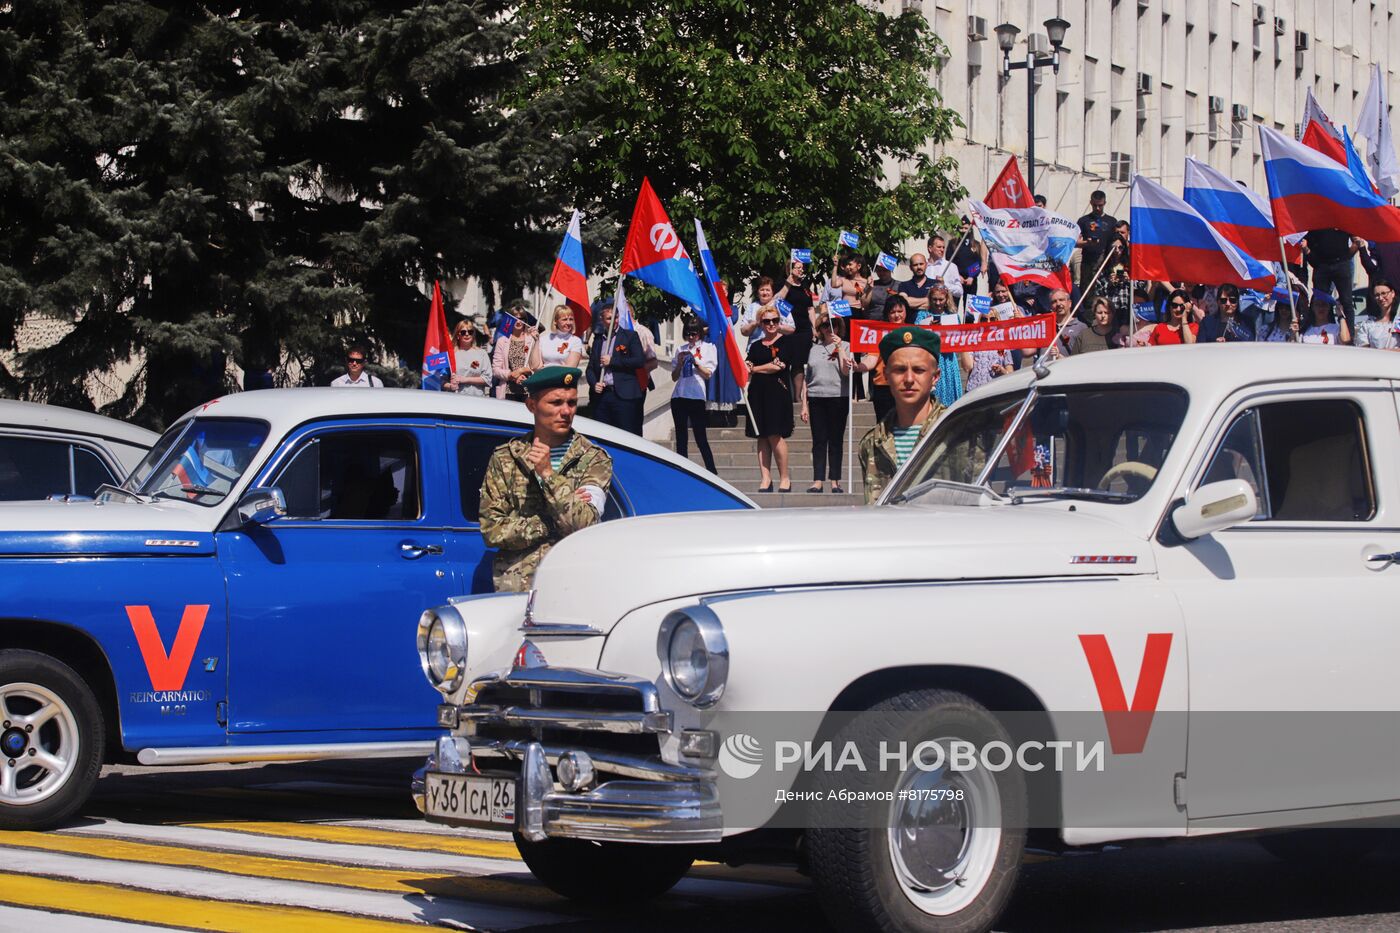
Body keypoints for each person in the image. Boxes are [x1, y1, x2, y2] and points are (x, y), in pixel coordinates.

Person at [478, 366, 612, 592]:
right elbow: (492, 530)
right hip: (517, 588)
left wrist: (548, 475)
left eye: (571, 403)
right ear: (532, 405)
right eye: (556, 403)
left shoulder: (593, 459)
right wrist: (549, 523)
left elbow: (585, 525)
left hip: (572, 588)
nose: (566, 411)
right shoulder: (506, 458)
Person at [858, 327, 946, 505]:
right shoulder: (872, 443)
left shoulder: (953, 430)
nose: (908, 379)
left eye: (919, 370)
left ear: (935, 377)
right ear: (886, 376)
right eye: (899, 370)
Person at [801, 311, 852, 494]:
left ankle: (835, 481)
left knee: (836, 440)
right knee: (819, 441)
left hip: (838, 397)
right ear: (820, 329)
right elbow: (807, 378)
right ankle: (817, 480)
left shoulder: (846, 345)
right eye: (825, 326)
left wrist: (840, 350)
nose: (829, 329)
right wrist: (804, 404)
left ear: (839, 327)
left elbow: (846, 371)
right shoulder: (814, 349)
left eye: (833, 325)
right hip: (816, 397)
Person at [744, 308, 794, 492]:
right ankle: (765, 478)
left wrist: (755, 369)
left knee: (775, 434)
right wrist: (749, 364)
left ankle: (784, 477)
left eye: (774, 320)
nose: (771, 324)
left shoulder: (787, 342)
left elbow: (778, 366)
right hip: (757, 393)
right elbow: (748, 362)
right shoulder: (756, 345)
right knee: (761, 435)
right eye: (767, 321)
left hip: (777, 393)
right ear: (761, 324)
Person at [586, 304, 648, 434]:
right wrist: (594, 384)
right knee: (603, 435)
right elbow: (590, 368)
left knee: (626, 435)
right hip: (603, 396)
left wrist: (613, 361)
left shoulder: (630, 336)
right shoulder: (598, 340)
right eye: (609, 318)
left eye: (616, 317)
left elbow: (639, 360)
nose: (614, 321)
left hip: (624, 396)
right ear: (602, 320)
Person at [670, 319, 718, 472]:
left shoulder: (708, 348)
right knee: (681, 436)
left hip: (696, 396)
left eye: (694, 334)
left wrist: (695, 362)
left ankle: (712, 470)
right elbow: (674, 377)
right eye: (688, 334)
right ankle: (682, 470)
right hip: (679, 395)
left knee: (700, 436)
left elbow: (708, 373)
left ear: (699, 334)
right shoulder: (680, 349)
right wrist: (679, 363)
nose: (691, 337)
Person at [857, 296, 910, 423]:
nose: (897, 315)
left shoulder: (913, 332)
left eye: (900, 311)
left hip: (907, 384)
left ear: (906, 312)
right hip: (883, 386)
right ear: (887, 314)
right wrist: (857, 367)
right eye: (892, 312)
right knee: (884, 426)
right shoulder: (879, 333)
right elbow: (871, 360)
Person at [1306, 228, 1362, 333]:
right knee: (1320, 300)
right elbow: (1307, 243)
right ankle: (1324, 330)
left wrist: (1346, 257)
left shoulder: (1341, 218)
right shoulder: (1317, 222)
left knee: (1346, 301)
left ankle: (1349, 335)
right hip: (1322, 265)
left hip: (1341, 264)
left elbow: (1357, 240)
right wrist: (1313, 259)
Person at [1076, 189, 1118, 291]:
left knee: (1106, 290)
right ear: (1091, 203)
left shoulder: (1112, 221)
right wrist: (1087, 243)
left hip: (1106, 263)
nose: (1098, 208)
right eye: (1095, 205)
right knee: (1087, 291)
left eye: (1100, 205)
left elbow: (1117, 241)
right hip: (1088, 262)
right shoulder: (1083, 221)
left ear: (1105, 203)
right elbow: (1075, 242)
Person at [966, 304, 1016, 390]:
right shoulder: (974, 341)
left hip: (994, 389)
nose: (988, 322)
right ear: (980, 321)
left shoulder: (1003, 345)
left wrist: (1002, 370)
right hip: (974, 388)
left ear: (997, 321)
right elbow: (968, 367)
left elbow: (1010, 372)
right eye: (984, 319)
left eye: (992, 319)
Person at [737, 276, 795, 347]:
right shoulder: (751, 307)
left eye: (768, 290)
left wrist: (778, 327)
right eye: (762, 290)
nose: (765, 293)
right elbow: (743, 332)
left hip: (777, 346)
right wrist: (754, 324)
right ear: (758, 292)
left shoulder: (782, 305)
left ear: (772, 292)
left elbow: (792, 328)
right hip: (755, 347)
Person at [492, 315, 537, 400]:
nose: (518, 321)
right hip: (507, 392)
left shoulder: (532, 340)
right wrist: (511, 375)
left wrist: (523, 371)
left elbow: (537, 366)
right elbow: (495, 369)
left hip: (528, 391)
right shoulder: (502, 341)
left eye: (521, 319)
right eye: (515, 319)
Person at [528, 305, 585, 371]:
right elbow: (535, 366)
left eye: (571, 319)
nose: (568, 322)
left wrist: (547, 369)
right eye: (564, 319)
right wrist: (536, 341)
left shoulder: (576, 341)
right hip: (544, 379)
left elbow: (570, 367)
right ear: (555, 321)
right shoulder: (543, 339)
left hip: (563, 379)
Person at [447, 323, 491, 395]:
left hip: (477, 399)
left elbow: (487, 379)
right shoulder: (450, 354)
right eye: (463, 332)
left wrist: (464, 380)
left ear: (473, 335)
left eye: (470, 332)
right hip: (456, 398)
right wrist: (450, 386)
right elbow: (442, 380)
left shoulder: (482, 353)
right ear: (458, 335)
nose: (467, 334)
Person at [1354, 279, 1399, 349]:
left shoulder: (1397, 322)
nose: (1380, 298)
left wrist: (1388, 352)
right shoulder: (1368, 325)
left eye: (1384, 293)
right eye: (1377, 295)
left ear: (1392, 293)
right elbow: (1363, 349)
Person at [950, 218, 985, 305]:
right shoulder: (953, 244)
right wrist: (957, 275)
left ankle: (968, 319)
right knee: (953, 306)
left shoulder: (976, 244)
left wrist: (971, 276)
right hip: (956, 280)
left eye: (966, 228)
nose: (963, 230)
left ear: (970, 229)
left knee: (970, 309)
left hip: (971, 281)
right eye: (961, 228)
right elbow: (949, 261)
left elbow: (978, 262)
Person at [1045, 289, 1085, 359]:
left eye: (1061, 300)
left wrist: (1060, 357)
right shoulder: (1044, 327)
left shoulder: (1081, 328)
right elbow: (1028, 352)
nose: (1058, 304)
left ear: (1069, 303)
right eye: (1054, 302)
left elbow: (1084, 360)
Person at [925, 235, 965, 302]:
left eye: (943, 247)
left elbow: (959, 292)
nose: (942, 250)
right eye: (939, 247)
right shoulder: (923, 265)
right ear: (930, 248)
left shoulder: (951, 266)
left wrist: (944, 285)